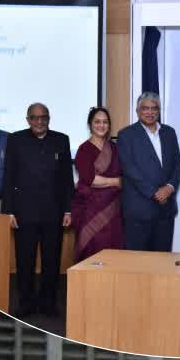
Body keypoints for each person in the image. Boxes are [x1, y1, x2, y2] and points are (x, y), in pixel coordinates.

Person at [2, 103, 73, 318]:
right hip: (24, 213)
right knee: (25, 261)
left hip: (54, 212)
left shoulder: (61, 139)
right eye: (34, 118)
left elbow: (66, 178)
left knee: (52, 261)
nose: (39, 121)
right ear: (28, 119)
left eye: (43, 117)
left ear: (49, 118)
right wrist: (9, 212)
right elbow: (8, 176)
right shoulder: (15, 140)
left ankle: (49, 304)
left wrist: (68, 210)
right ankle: (25, 304)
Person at [117, 92, 180, 252]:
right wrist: (155, 193)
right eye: (145, 108)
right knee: (138, 263)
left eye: (154, 108)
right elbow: (129, 168)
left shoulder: (169, 132)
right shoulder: (126, 135)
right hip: (139, 210)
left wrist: (170, 187)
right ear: (137, 111)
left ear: (159, 111)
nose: (150, 112)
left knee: (162, 260)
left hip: (165, 209)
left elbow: (178, 162)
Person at [72, 106, 125, 263]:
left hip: (114, 210)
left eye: (105, 122)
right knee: (92, 252)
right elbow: (91, 180)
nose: (101, 125)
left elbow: (125, 174)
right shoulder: (84, 149)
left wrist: (116, 181)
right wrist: (116, 181)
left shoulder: (115, 148)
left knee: (113, 253)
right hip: (90, 210)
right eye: (97, 122)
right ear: (90, 125)